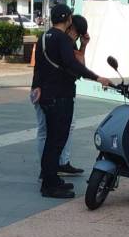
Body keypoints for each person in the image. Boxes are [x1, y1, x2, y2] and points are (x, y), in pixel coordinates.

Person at [32, 4, 110, 198]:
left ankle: (51, 178)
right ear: (67, 19)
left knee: (51, 140)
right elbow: (72, 64)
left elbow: (38, 67)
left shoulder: (44, 36)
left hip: (47, 95)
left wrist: (37, 87)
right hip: (61, 95)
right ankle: (49, 185)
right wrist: (97, 77)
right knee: (56, 141)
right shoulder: (62, 39)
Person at [33, 15, 91, 178]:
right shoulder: (59, 41)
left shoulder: (62, 40)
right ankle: (48, 170)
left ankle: (58, 165)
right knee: (47, 131)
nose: (75, 36)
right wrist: (97, 77)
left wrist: (82, 46)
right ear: (69, 25)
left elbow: (78, 66)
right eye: (76, 32)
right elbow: (77, 66)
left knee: (60, 129)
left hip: (54, 91)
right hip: (51, 93)